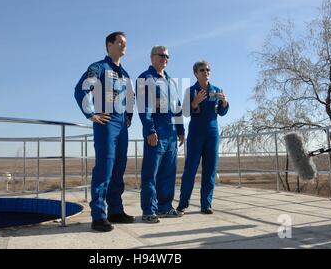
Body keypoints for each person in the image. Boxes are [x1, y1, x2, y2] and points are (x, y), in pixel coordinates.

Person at [74, 31, 135, 232]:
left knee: (119, 168)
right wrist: (91, 114)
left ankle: (115, 211)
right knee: (104, 169)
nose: (124, 45)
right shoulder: (98, 67)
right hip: (106, 123)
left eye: (125, 43)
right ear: (109, 45)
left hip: (121, 126)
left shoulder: (125, 73)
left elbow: (129, 98)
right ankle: (98, 215)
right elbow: (81, 89)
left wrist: (128, 118)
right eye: (120, 42)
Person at [136, 45, 185, 223]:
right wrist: (149, 129)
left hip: (171, 135)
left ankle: (165, 207)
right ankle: (149, 210)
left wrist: (181, 130)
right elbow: (144, 107)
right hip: (156, 133)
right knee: (151, 174)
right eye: (162, 55)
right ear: (152, 57)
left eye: (167, 57)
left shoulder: (171, 82)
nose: (165, 59)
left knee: (168, 174)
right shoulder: (145, 78)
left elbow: (177, 107)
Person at [177, 60, 229, 215]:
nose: (205, 72)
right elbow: (185, 112)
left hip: (212, 132)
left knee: (210, 169)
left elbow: (221, 112)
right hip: (196, 133)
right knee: (190, 169)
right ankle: (182, 204)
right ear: (195, 73)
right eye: (202, 70)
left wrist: (225, 102)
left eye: (208, 70)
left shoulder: (216, 89)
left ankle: (206, 204)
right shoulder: (190, 90)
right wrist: (195, 102)